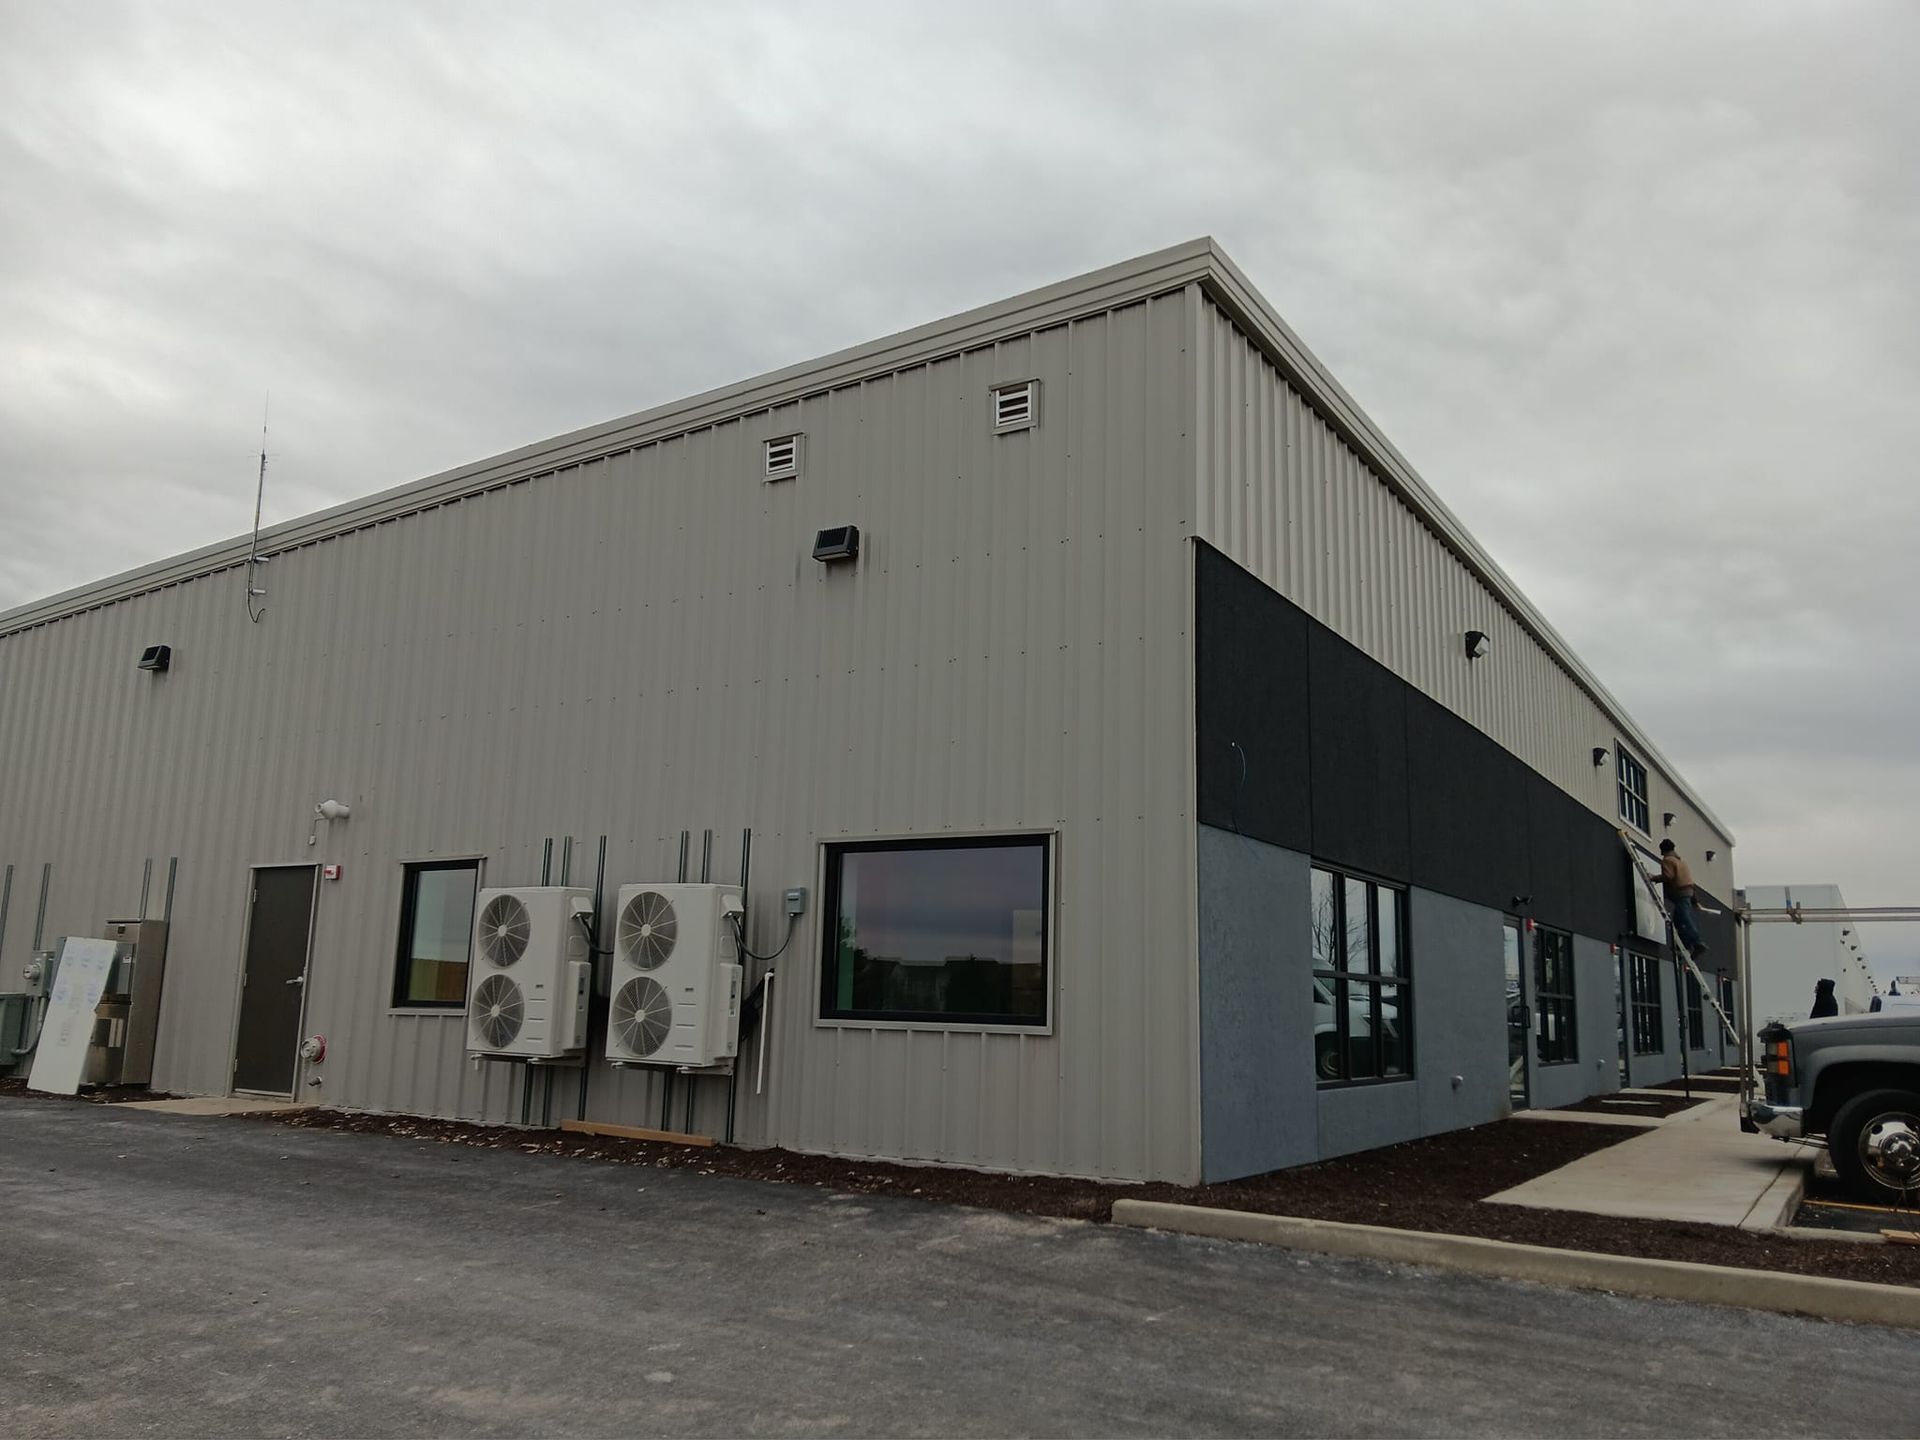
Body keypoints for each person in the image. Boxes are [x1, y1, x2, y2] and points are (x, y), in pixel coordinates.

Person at [1656, 839, 1708, 959]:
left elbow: (1668, 876)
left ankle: (1697, 942)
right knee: (1679, 921)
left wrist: (1653, 878)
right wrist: (1695, 901)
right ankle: (1683, 946)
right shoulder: (1682, 862)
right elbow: (1690, 882)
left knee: (1685, 919)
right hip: (1688, 892)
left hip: (1679, 893)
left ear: (1663, 849)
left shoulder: (1668, 860)